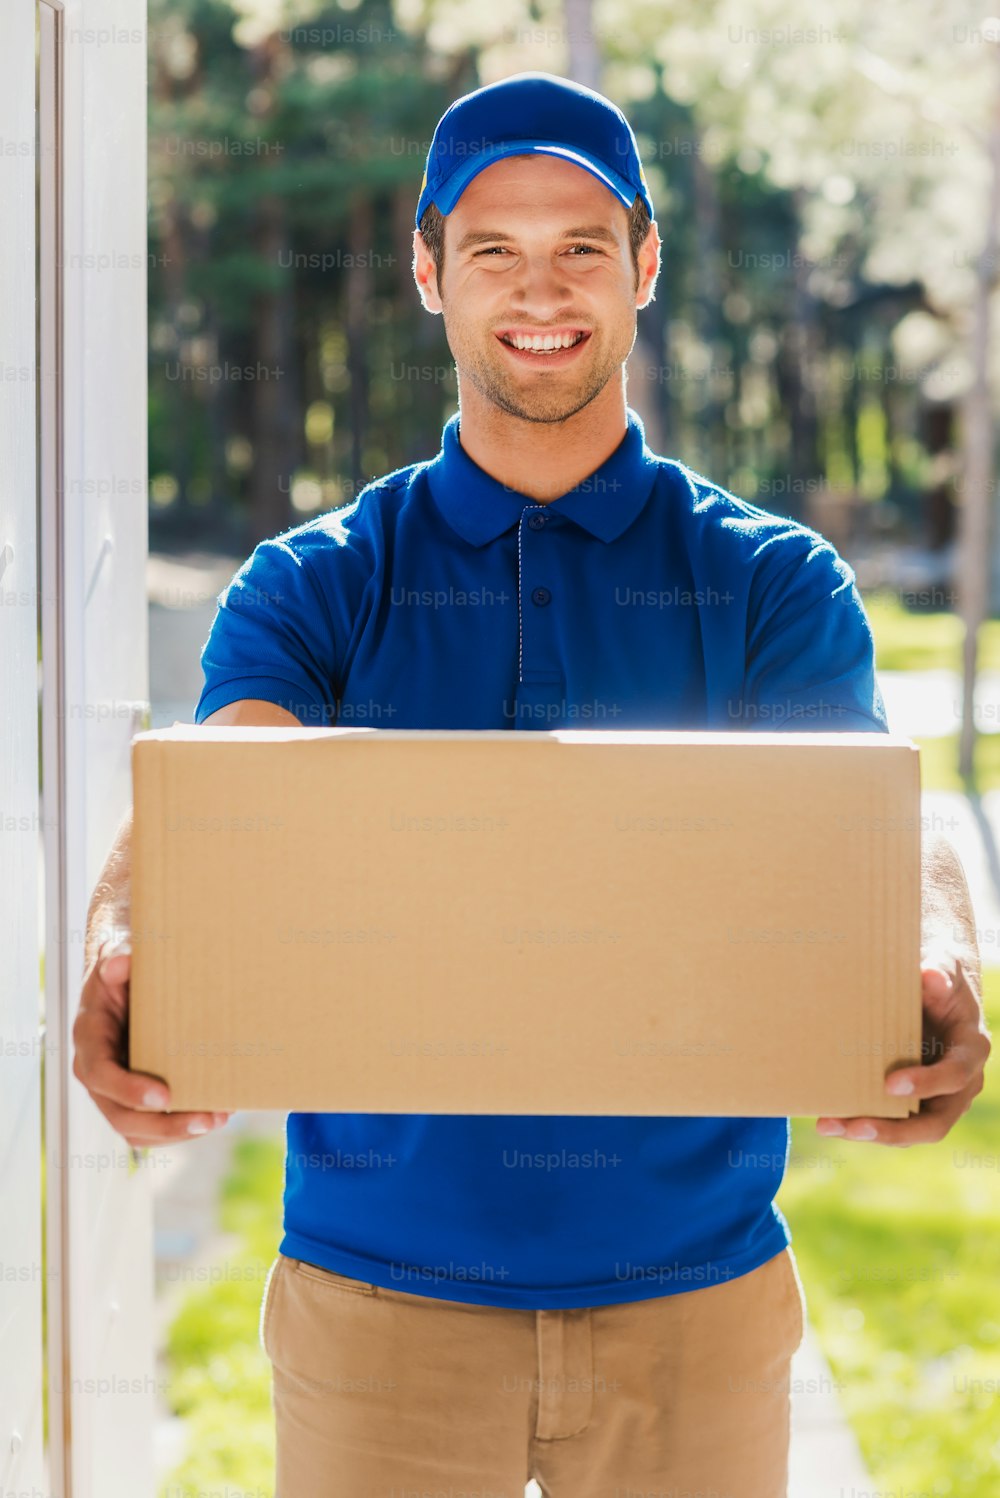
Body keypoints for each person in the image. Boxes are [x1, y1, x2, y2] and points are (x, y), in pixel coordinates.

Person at [74, 71, 989, 1498]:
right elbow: (209, 803)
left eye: (580, 246)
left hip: (695, 1304)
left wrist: (934, 947)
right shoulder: (320, 582)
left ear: (644, 266)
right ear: (429, 272)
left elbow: (869, 804)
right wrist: (124, 937)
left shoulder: (768, 581)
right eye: (493, 248)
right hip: (377, 1308)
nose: (540, 289)